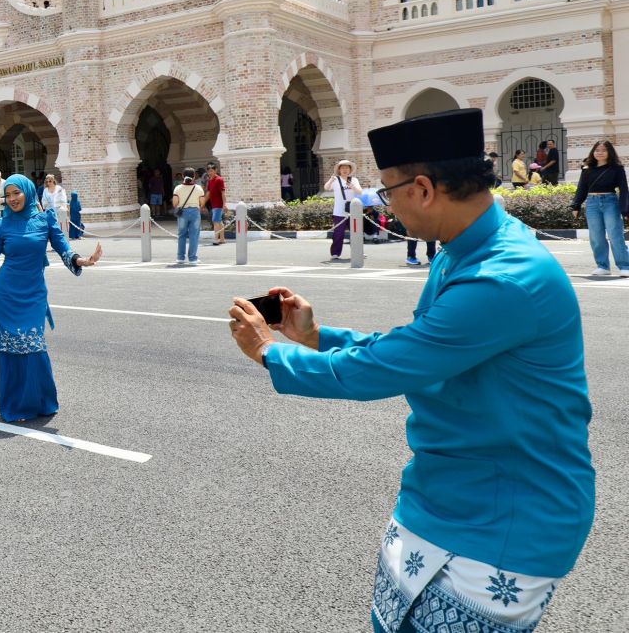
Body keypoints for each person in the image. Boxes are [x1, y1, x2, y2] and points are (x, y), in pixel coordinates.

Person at [227, 108, 594, 633]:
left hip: (507, 513)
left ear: (422, 189)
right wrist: (314, 337)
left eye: (388, 191)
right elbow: (419, 349)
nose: (385, 204)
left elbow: (383, 368)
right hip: (443, 494)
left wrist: (270, 352)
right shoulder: (465, 251)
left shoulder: (502, 277)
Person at [0, 175, 103, 422]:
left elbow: (63, 248)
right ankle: (16, 405)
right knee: (10, 349)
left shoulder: (45, 219)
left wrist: (83, 260)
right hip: (5, 294)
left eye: (17, 193)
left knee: (33, 346)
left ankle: (42, 402)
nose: (12, 199)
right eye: (8, 195)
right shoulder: (3, 224)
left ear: (28, 192)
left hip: (34, 294)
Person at [570, 139, 629, 277]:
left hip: (610, 202)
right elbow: (582, 188)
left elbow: (624, 189)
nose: (600, 153)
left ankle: (625, 266)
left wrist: (625, 209)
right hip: (592, 203)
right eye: (597, 150)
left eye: (603, 150)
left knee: (615, 234)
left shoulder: (617, 168)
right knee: (596, 236)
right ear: (593, 152)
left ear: (610, 152)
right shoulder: (587, 169)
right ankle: (602, 266)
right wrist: (576, 205)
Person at [325, 160, 363, 261]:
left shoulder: (354, 180)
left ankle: (358, 251)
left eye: (347, 168)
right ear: (339, 170)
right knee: (338, 233)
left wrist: (353, 187)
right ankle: (335, 253)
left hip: (353, 210)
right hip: (339, 211)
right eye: (342, 168)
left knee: (356, 233)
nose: (345, 170)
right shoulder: (335, 180)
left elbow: (360, 192)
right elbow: (326, 188)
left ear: (350, 170)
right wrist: (331, 180)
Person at [172, 168, 205, 265]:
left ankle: (180, 257)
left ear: (183, 176)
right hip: (195, 212)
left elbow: (175, 203)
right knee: (194, 236)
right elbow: (202, 202)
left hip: (182, 212)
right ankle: (192, 258)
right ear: (194, 176)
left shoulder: (178, 188)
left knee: (181, 235)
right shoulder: (198, 188)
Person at [206, 163, 226, 245]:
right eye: (208, 171)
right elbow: (209, 193)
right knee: (219, 221)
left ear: (216, 170)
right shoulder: (210, 180)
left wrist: (224, 204)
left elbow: (223, 193)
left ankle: (216, 239)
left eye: (211, 171)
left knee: (215, 221)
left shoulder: (219, 180)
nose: (210, 173)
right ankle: (222, 239)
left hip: (218, 204)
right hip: (213, 204)